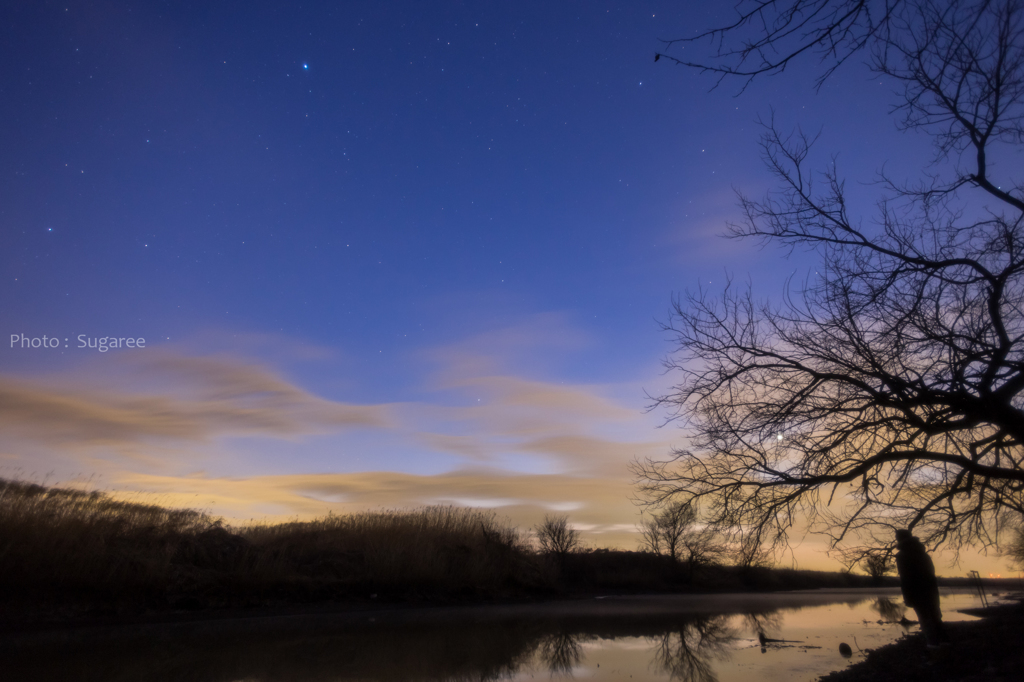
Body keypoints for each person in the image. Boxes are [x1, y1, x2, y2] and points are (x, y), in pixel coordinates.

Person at [895, 528, 949, 646]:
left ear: (899, 538)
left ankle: (934, 647)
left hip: (916, 592)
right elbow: (931, 573)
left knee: (925, 619)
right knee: (935, 617)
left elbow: (905, 578)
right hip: (931, 590)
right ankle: (943, 644)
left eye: (896, 537)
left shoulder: (902, 556)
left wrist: (908, 597)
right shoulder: (923, 554)